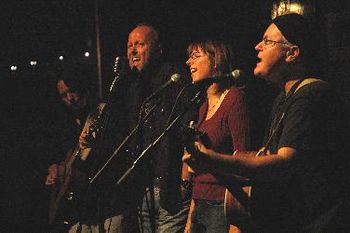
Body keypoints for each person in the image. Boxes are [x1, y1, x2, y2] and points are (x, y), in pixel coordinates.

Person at [183, 13, 350, 233]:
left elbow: (283, 164)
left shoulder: (310, 94)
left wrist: (213, 160)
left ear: (292, 53)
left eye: (268, 41)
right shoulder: (284, 97)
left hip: (318, 223)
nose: (257, 46)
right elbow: (266, 158)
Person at [80, 23, 193, 233]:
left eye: (139, 44)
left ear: (158, 50)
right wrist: (97, 140)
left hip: (170, 187)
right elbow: (125, 135)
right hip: (142, 188)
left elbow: (187, 129)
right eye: (129, 45)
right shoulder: (131, 87)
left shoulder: (174, 79)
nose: (132, 51)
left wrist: (185, 181)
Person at [183, 39, 250, 233]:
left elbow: (243, 162)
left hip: (222, 205)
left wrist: (236, 224)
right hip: (200, 204)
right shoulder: (203, 106)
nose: (189, 62)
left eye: (196, 56)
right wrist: (190, 219)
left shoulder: (235, 99)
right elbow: (198, 172)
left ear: (216, 61)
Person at [45, 66, 102, 233]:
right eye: (63, 95)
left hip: (101, 204)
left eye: (72, 91)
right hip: (76, 210)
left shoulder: (99, 114)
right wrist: (54, 170)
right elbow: (55, 156)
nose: (70, 98)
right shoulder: (63, 122)